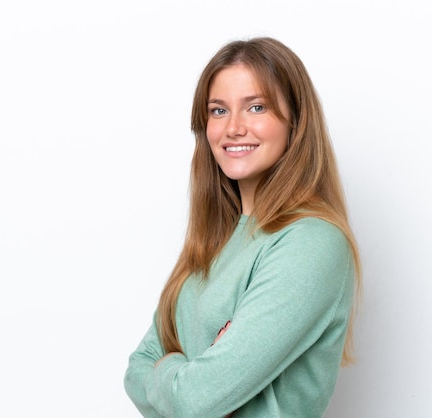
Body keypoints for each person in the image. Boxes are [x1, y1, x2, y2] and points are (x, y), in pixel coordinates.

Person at [124, 36, 361, 418]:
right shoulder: (214, 239)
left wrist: (169, 367)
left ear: (295, 122)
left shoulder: (310, 242)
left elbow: (194, 401)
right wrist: (187, 374)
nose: (233, 128)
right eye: (218, 111)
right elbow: (136, 368)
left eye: (256, 107)